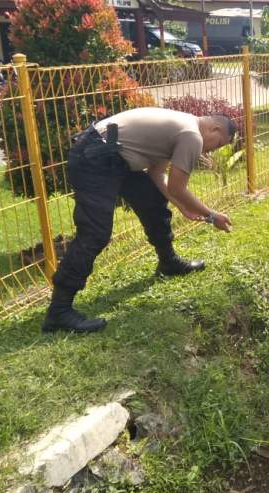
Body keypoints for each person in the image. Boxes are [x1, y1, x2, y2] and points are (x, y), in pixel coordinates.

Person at [42, 108, 236, 334]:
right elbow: (176, 187)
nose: (213, 150)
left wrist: (182, 205)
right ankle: (59, 311)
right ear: (215, 128)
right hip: (96, 156)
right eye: (219, 143)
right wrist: (212, 216)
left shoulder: (182, 126)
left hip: (112, 154)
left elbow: (156, 174)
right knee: (95, 233)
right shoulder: (192, 135)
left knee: (153, 202)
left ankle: (168, 263)